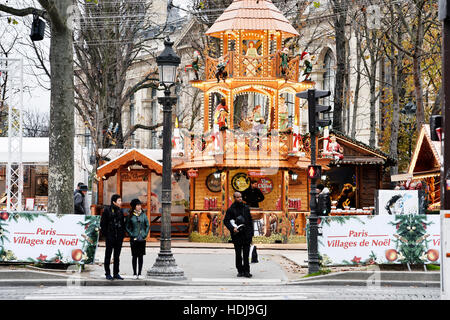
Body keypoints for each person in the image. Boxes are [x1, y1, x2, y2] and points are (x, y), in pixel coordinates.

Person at [224, 192, 254, 278]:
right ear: (234, 198)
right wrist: (232, 228)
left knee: (246, 254)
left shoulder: (246, 208)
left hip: (246, 234)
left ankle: (247, 271)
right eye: (237, 197)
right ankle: (240, 271)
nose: (240, 199)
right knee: (238, 254)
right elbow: (226, 221)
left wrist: (251, 234)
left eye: (240, 197)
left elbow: (250, 221)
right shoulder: (230, 209)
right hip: (236, 235)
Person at [100, 194, 125, 280]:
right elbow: (103, 224)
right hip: (110, 236)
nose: (120, 202)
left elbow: (122, 224)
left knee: (117, 256)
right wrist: (106, 235)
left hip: (119, 237)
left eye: (120, 200)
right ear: (114, 202)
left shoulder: (121, 211)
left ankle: (116, 273)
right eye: (119, 201)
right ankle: (107, 273)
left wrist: (122, 235)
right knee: (108, 255)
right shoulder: (107, 210)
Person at [125, 198, 149, 280]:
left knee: (141, 256)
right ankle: (134, 273)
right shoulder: (130, 215)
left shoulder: (143, 214)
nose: (139, 207)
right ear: (134, 206)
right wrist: (131, 234)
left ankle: (140, 273)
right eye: (137, 205)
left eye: (140, 205)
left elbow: (147, 225)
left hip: (142, 238)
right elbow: (127, 227)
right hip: (134, 238)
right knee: (134, 256)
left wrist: (145, 234)